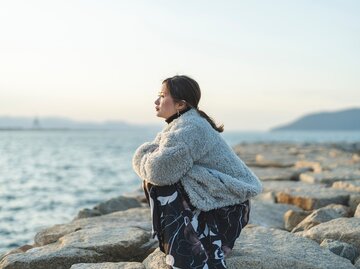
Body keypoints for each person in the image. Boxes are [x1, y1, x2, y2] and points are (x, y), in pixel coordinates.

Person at [132, 75, 263, 269]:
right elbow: (158, 164)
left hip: (228, 210)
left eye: (162, 95)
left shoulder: (191, 128)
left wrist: (143, 154)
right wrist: (149, 156)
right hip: (219, 203)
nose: (156, 101)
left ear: (180, 105)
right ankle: (184, 249)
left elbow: (158, 170)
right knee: (165, 177)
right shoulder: (182, 125)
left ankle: (188, 259)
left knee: (164, 183)